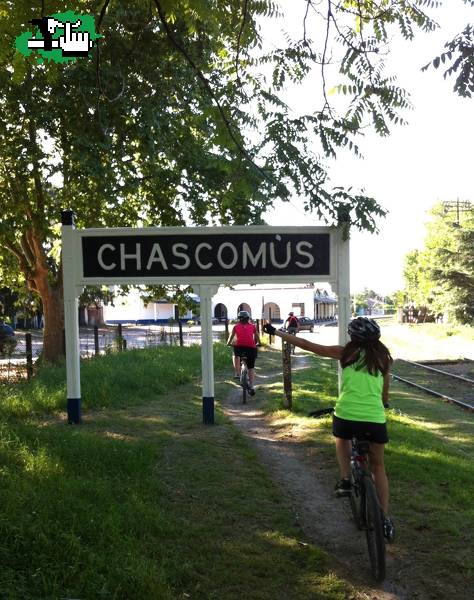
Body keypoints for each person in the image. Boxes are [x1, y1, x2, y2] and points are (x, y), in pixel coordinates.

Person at [263, 316, 395, 542]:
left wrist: (276, 332)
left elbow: (307, 345)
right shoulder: (384, 359)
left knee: (342, 439)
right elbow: (384, 392)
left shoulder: (345, 353)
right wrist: (382, 403)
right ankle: (383, 518)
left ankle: (345, 479)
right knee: (378, 466)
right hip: (374, 418)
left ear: (353, 337)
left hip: (346, 414)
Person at [227, 310, 260, 395]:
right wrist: (259, 343)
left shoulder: (236, 326)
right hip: (251, 348)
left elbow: (231, 336)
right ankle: (251, 386)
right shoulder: (253, 326)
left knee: (235, 355)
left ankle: (237, 373)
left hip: (239, 347)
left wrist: (228, 343)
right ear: (248, 318)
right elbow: (257, 336)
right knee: (251, 367)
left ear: (239, 319)